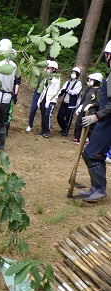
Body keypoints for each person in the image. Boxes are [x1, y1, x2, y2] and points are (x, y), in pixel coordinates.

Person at [79, 41, 111, 202]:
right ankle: (96, 188)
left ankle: (99, 189)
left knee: (91, 153)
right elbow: (106, 101)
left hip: (108, 122)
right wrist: (94, 105)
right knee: (96, 154)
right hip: (105, 120)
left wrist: (96, 116)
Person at [71, 72, 103, 144]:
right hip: (84, 109)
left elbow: (98, 102)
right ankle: (77, 137)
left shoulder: (98, 91)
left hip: (91, 111)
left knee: (89, 127)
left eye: (92, 80)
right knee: (78, 123)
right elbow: (85, 99)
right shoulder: (89, 89)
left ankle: (87, 140)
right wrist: (81, 106)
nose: (90, 81)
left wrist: (91, 105)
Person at [37, 60, 60, 138]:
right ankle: (43, 130)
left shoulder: (57, 79)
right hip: (44, 98)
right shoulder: (47, 78)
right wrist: (40, 99)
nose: (47, 69)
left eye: (49, 68)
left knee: (47, 115)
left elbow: (56, 90)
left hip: (51, 100)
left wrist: (50, 99)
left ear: (54, 69)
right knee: (43, 115)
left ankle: (47, 131)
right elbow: (44, 89)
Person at [56, 66, 82, 136]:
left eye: (74, 73)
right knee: (59, 116)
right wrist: (59, 94)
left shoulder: (78, 83)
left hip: (71, 103)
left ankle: (65, 131)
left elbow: (76, 92)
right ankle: (64, 128)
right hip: (65, 101)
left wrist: (68, 91)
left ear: (77, 74)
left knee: (68, 117)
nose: (73, 74)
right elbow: (63, 89)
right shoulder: (68, 82)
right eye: (72, 72)